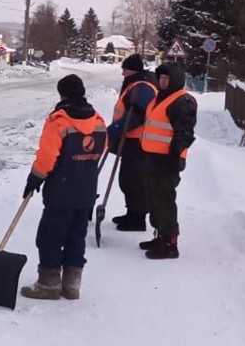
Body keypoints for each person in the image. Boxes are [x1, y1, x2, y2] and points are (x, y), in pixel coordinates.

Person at [21, 74, 107, 300]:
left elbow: (48, 157)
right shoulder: (98, 120)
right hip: (87, 190)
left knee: (50, 236)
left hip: (61, 191)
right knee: (76, 237)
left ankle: (48, 285)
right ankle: (71, 285)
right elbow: (101, 148)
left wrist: (34, 179)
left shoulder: (59, 121)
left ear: (63, 94)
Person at [139, 63, 197, 259]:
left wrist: (174, 157)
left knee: (164, 201)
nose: (163, 81)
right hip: (152, 158)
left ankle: (171, 244)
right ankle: (160, 236)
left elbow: (185, 134)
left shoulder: (182, 101)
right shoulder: (159, 98)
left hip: (167, 161)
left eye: (167, 78)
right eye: (161, 78)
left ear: (175, 80)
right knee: (153, 199)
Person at [106, 54, 158, 232]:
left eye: (125, 70)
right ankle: (132, 214)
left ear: (134, 70)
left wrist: (114, 129)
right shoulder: (137, 84)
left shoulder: (142, 87)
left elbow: (135, 116)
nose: (123, 73)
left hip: (138, 141)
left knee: (134, 180)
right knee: (127, 179)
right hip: (131, 139)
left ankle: (138, 219)